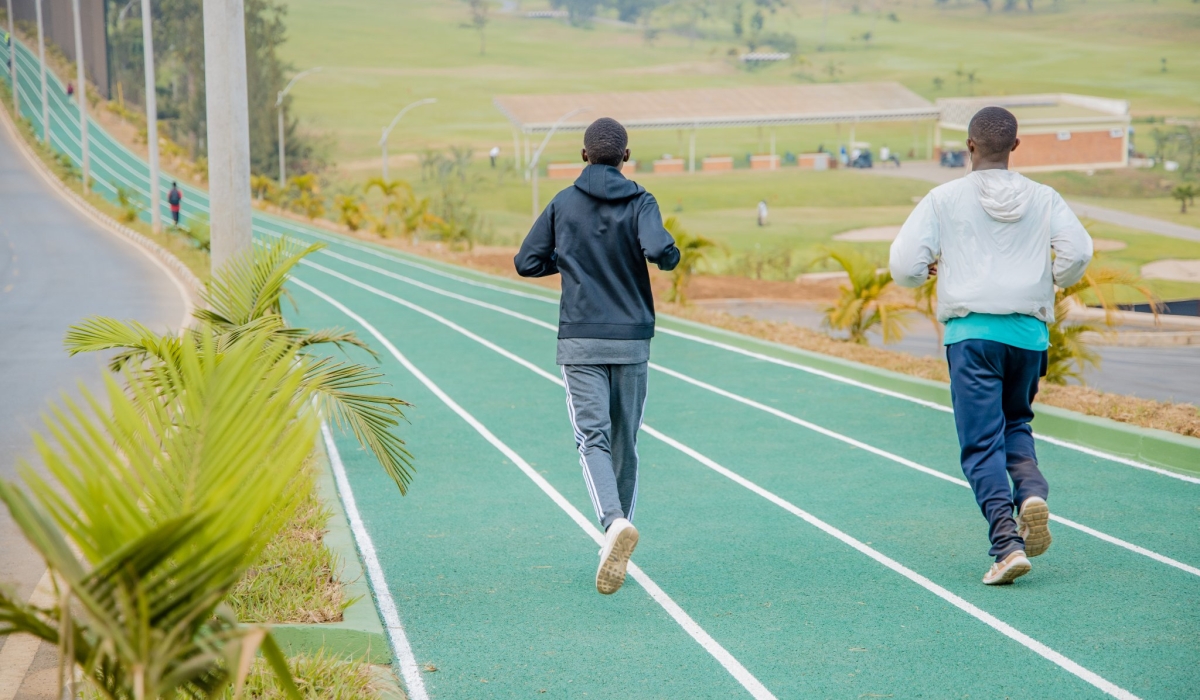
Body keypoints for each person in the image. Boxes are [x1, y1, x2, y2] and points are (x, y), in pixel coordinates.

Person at [889, 106, 1092, 586]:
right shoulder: (1045, 197)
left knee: (980, 443)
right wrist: (1053, 278)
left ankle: (1006, 544)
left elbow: (904, 264)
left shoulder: (944, 198)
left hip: (972, 335)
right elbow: (1078, 252)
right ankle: (1031, 492)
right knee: (1016, 421)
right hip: (1027, 334)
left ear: (970, 146)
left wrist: (925, 273)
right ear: (1015, 148)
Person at [515, 117, 680, 596]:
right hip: (631, 340)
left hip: (582, 339)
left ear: (584, 156)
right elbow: (658, 249)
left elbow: (526, 261)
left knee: (594, 439)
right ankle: (617, 530)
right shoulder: (642, 200)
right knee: (625, 440)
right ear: (625, 156)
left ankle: (612, 525)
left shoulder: (563, 203)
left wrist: (567, 259)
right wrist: (668, 256)